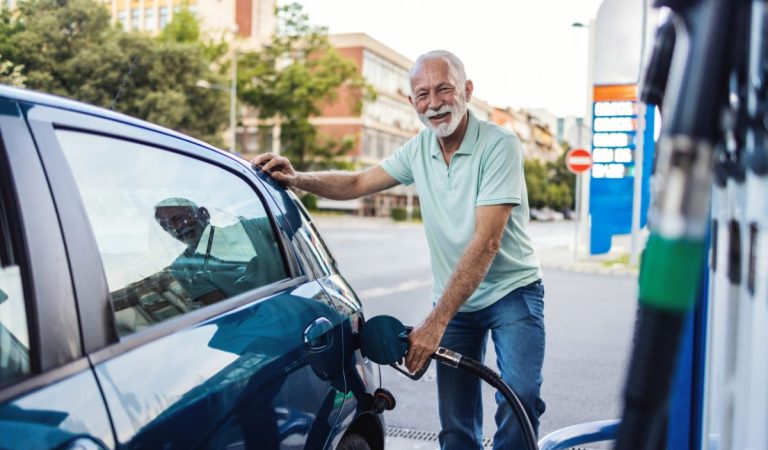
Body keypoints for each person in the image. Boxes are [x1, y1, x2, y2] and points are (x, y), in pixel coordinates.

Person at [251, 50, 545, 449]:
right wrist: (298, 178)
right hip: (455, 299)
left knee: (520, 398)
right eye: (422, 94)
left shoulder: (499, 144)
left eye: (444, 89)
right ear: (412, 103)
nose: (434, 103)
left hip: (512, 291)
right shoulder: (419, 149)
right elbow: (356, 183)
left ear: (467, 91)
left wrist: (435, 322)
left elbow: (487, 241)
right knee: (456, 422)